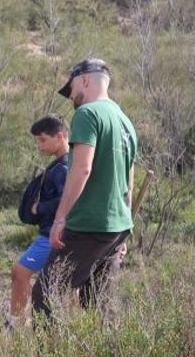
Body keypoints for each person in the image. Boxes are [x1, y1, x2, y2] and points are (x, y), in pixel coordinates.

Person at [32, 60, 137, 318]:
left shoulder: (87, 114)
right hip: (115, 228)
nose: (71, 98)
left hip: (89, 226)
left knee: (45, 295)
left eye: (72, 88)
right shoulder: (125, 121)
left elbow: (81, 169)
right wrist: (126, 225)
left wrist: (60, 219)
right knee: (99, 304)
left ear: (85, 80)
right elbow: (128, 180)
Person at [5, 116, 70, 328]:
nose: (39, 145)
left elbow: (69, 199)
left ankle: (16, 324)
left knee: (20, 271)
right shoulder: (63, 163)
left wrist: (40, 207)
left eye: (43, 140)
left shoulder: (63, 168)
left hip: (54, 234)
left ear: (60, 137)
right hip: (54, 233)